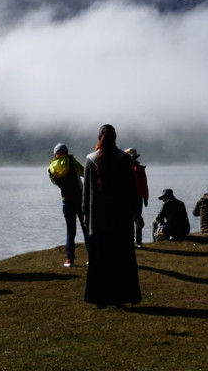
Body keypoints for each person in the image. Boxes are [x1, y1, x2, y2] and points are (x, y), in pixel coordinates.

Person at [82, 124, 142, 308]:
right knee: (120, 262)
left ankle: (100, 299)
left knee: (101, 262)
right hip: (121, 221)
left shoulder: (90, 160)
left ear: (99, 137)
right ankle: (120, 299)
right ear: (115, 138)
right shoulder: (124, 159)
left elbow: (86, 193)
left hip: (98, 222)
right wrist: (136, 213)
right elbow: (133, 190)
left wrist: (86, 213)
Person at [48, 143, 87, 267]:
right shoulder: (71, 161)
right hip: (80, 199)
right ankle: (91, 257)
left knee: (70, 231)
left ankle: (70, 259)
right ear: (66, 151)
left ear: (55, 154)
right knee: (86, 228)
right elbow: (84, 172)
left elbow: (55, 182)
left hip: (66, 201)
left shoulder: (51, 167)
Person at [127, 148, 149, 249]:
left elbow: (144, 184)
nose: (132, 159)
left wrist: (145, 198)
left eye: (133, 157)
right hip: (126, 199)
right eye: (131, 157)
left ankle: (139, 241)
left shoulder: (140, 169)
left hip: (138, 198)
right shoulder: (123, 169)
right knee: (128, 221)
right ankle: (130, 241)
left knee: (138, 219)